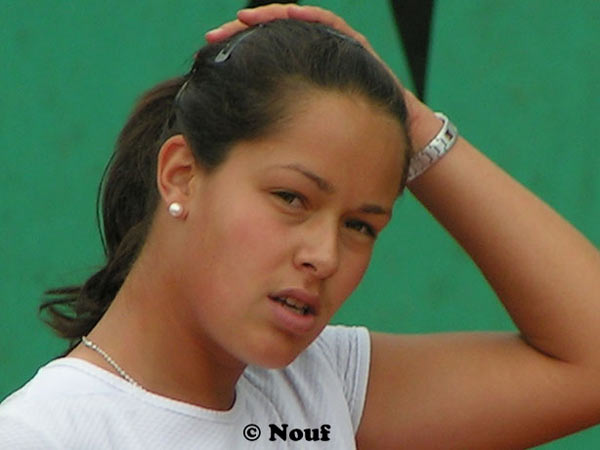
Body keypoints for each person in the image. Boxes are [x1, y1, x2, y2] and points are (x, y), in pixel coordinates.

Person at [1, 4, 599, 449]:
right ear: (181, 175)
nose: (325, 256)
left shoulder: (320, 388)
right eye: (291, 197)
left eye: (362, 226)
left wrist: (412, 125)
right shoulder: (46, 434)